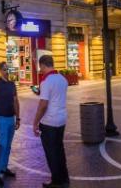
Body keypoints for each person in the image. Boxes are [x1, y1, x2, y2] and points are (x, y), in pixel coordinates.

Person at [32, 55, 69, 188]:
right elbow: (55, 96)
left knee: (51, 152)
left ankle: (56, 182)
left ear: (43, 65)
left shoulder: (46, 81)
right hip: (62, 119)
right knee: (59, 149)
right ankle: (64, 179)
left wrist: (35, 122)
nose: (40, 70)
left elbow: (43, 105)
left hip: (49, 122)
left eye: (40, 67)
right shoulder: (62, 79)